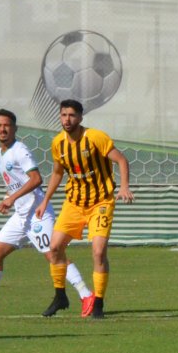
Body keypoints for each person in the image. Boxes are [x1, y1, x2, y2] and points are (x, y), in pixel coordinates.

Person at [0, 109, 95, 316]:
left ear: (15, 128)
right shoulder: (0, 154)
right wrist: (9, 198)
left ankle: (86, 295)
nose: (2, 129)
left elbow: (36, 179)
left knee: (54, 255)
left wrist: (12, 199)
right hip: (21, 215)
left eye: (7, 125)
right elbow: (17, 182)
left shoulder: (19, 150)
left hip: (37, 213)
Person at [34, 99, 134, 319]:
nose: (67, 120)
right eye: (63, 115)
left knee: (98, 252)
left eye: (71, 115)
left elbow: (121, 160)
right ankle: (60, 296)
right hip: (74, 203)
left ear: (80, 117)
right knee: (54, 248)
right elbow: (58, 173)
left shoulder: (96, 137)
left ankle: (98, 303)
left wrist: (124, 187)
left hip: (101, 202)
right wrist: (44, 200)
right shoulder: (58, 143)